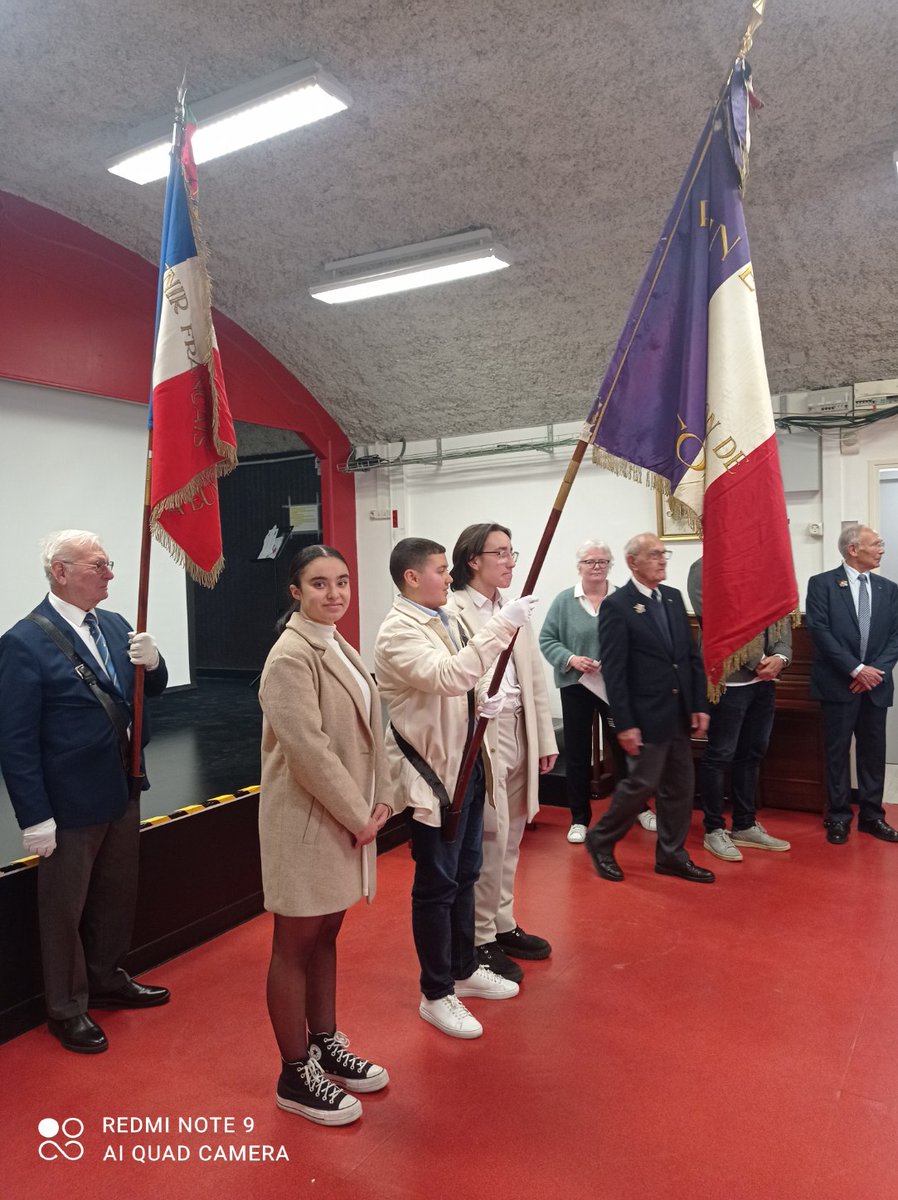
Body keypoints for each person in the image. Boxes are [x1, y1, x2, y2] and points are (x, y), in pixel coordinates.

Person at [0, 530, 169, 1055]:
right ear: (61, 572)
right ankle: (67, 1007)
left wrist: (155, 662)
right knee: (64, 909)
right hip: (68, 801)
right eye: (99, 566)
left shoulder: (115, 625)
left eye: (110, 564)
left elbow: (145, 692)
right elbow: (15, 739)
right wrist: (35, 817)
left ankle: (107, 978)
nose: (111, 575)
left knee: (117, 894)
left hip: (122, 784)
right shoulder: (22, 642)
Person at [374, 537, 537, 1039]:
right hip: (435, 777)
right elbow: (446, 676)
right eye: (441, 571)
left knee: (467, 872)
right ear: (411, 577)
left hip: (469, 763)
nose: (449, 578)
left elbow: (472, 673)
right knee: (437, 885)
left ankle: (464, 969)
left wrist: (487, 696)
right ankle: (436, 990)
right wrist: (499, 628)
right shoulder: (396, 633)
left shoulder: (448, 617)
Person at [258, 545, 393, 1126]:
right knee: (294, 945)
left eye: (341, 581)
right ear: (296, 591)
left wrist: (384, 795)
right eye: (319, 584)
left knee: (327, 935)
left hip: (348, 817)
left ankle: (325, 1042)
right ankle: (294, 1072)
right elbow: (308, 751)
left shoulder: (339, 643)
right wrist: (357, 814)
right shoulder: (291, 655)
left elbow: (374, 728)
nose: (334, 593)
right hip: (309, 823)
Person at [447, 523, 557, 984]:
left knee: (511, 837)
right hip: (484, 734)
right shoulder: (453, 612)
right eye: (502, 553)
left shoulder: (513, 608)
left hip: (517, 727)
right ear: (474, 560)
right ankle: (480, 935)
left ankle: (503, 922)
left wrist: (545, 738)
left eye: (513, 552)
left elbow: (533, 674)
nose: (512, 561)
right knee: (488, 840)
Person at [584, 532, 714, 884]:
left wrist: (698, 704)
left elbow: (688, 657)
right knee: (640, 785)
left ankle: (671, 855)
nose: (662, 559)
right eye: (654, 554)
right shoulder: (617, 605)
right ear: (632, 562)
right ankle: (601, 838)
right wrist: (624, 723)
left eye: (663, 553)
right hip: (644, 715)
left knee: (681, 787)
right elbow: (615, 669)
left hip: (677, 713)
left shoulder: (672, 598)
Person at [540, 539, 656, 845]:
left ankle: (639, 807)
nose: (597, 567)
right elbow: (547, 638)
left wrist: (618, 661)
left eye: (603, 562)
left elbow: (642, 641)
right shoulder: (564, 601)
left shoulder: (624, 599)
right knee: (577, 753)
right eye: (591, 562)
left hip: (616, 687)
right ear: (579, 567)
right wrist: (571, 659)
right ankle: (579, 818)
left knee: (626, 748)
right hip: (576, 685)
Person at [687, 556, 792, 862]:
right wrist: (756, 661)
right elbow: (718, 622)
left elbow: (782, 613)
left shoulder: (768, 562)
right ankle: (714, 828)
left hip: (764, 682)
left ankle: (744, 824)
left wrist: (781, 658)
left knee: (753, 753)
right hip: (728, 682)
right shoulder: (705, 567)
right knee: (720, 755)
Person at [805, 523, 898, 845]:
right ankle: (839, 816)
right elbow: (819, 631)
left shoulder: (889, 589)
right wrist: (856, 670)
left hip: (876, 686)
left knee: (873, 753)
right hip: (837, 684)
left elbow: (895, 638)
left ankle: (873, 817)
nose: (882, 549)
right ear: (853, 549)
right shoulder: (822, 584)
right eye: (877, 544)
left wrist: (873, 673)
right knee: (837, 753)